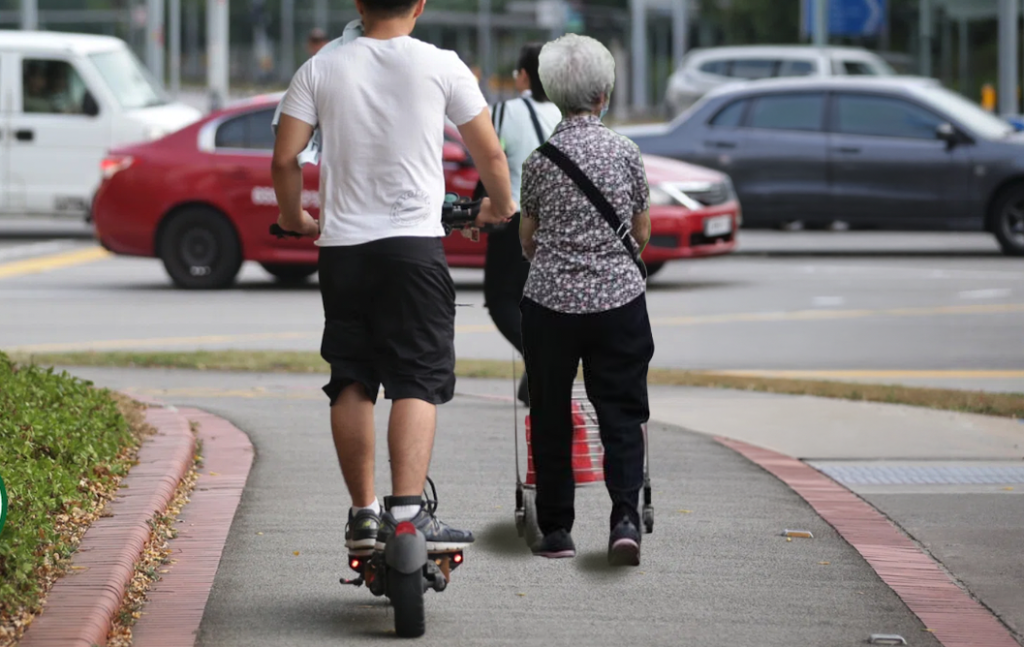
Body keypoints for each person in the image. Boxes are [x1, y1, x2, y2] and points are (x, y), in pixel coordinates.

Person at [272, 0, 516, 556]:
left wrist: (294, 219)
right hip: (413, 248)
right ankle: (408, 514)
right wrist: (497, 207)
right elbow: (493, 157)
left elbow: (285, 160)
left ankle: (364, 515)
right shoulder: (443, 64)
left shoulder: (320, 67)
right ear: (421, 5)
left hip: (343, 250)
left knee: (352, 377)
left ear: (358, 4)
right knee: (417, 377)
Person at [517, 34, 654, 567]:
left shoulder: (539, 161)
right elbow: (640, 230)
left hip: (550, 307)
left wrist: (555, 258)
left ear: (552, 94)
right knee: (620, 410)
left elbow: (527, 238)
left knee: (551, 411)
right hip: (619, 304)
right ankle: (623, 518)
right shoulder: (626, 152)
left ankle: (556, 530)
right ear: (604, 95)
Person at [478, 43, 560, 406]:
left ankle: (543, 358)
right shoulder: (565, 112)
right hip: (560, 218)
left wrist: (481, 206)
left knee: (501, 298)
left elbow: (491, 157)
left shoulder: (506, 110)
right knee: (540, 298)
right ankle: (538, 372)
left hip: (515, 213)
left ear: (524, 76)